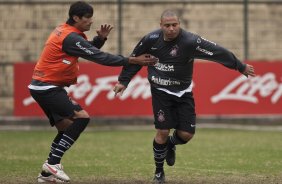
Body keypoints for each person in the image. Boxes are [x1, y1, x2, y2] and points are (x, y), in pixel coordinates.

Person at [113, 9, 256, 184]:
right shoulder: (150, 39)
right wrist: (123, 81)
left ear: (179, 24)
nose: (171, 28)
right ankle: (159, 173)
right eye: (167, 25)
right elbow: (134, 59)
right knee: (162, 131)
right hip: (160, 91)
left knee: (186, 135)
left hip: (183, 92)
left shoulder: (190, 41)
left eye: (175, 25)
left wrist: (239, 66)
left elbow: (217, 51)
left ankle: (171, 144)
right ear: (161, 26)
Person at [29, 1, 158, 183]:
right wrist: (134, 60)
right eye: (87, 18)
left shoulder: (65, 31)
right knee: (81, 118)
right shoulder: (71, 37)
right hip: (47, 87)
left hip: (43, 86)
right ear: (76, 18)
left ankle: (47, 173)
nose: (91, 22)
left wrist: (99, 40)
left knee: (66, 127)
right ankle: (52, 163)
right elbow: (100, 58)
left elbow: (87, 50)